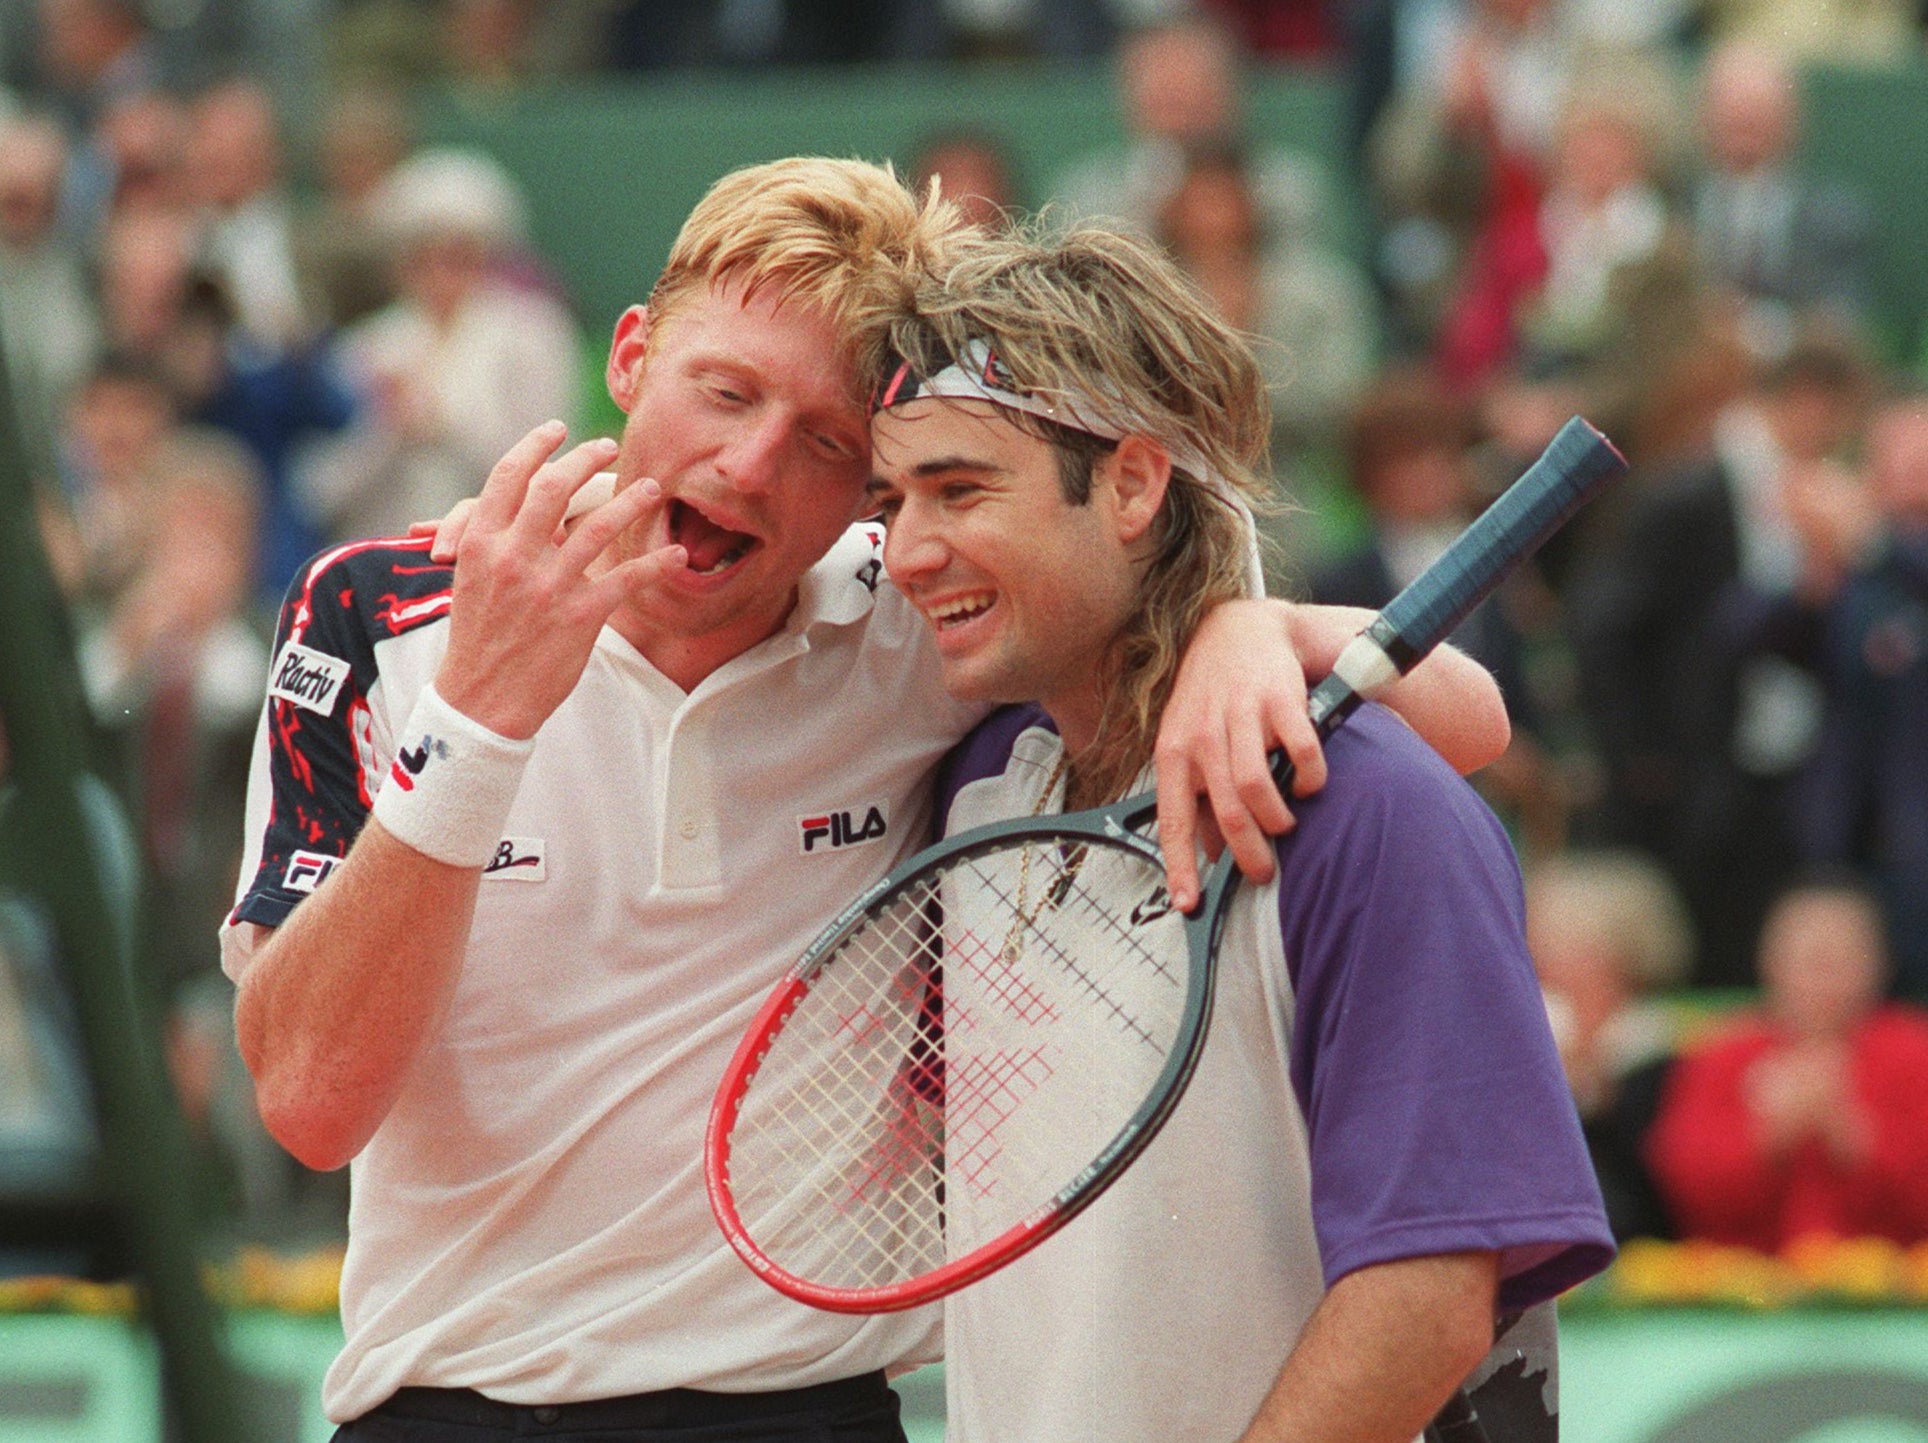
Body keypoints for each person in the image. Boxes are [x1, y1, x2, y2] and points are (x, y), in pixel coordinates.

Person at [223, 157, 1510, 1440]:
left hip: (802, 1406)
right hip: (442, 1403)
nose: (746, 464)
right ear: (627, 359)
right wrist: (480, 723)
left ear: (864, 487)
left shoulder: (919, 624)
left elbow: (1470, 723)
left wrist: (1250, 625)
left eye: (827, 445)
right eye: (720, 393)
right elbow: (311, 1105)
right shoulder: (374, 613)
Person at [864, 222, 1613, 1443]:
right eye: (889, 500)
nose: (905, 552)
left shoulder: (1376, 814)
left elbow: (1424, 1302)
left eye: (959, 489)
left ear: (1130, 483)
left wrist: (1263, 625)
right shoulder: (977, 788)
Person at [1645, 875, 1928, 1251]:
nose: (1824, 979)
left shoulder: (1914, 1050)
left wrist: (1853, 1137)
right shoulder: (1723, 1053)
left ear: (1879, 963)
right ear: (1769, 960)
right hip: (1742, 1287)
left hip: (1895, 1287)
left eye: (1841, 960)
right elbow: (1678, 1184)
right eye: (1811, 960)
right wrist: (1769, 1138)